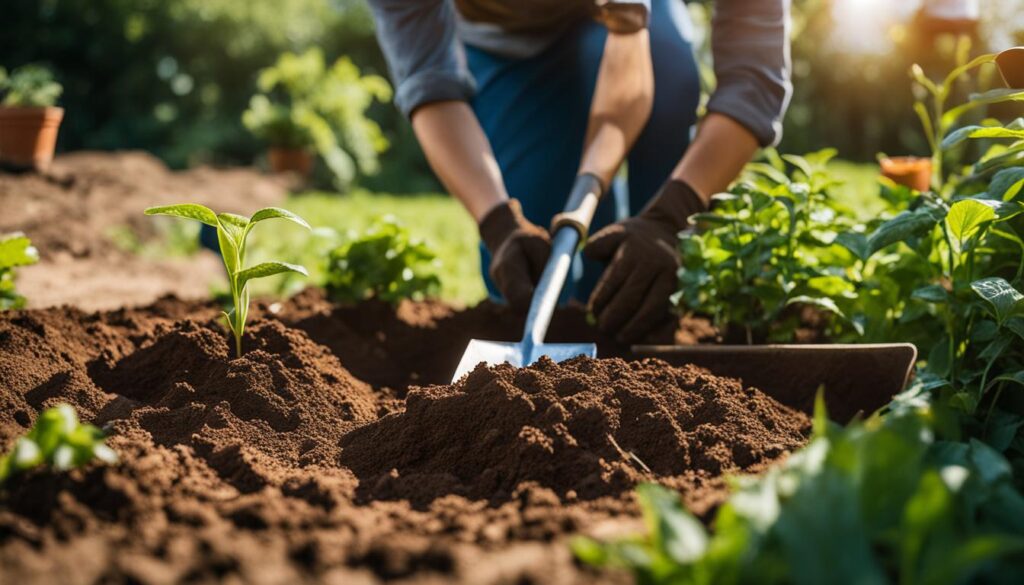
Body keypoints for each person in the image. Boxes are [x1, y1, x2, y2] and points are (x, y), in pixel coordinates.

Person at [367, 0, 791, 342]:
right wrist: (497, 221)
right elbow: (429, 81)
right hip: (506, 46)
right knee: (523, 280)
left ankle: (647, 301)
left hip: (636, 27)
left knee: (666, 75)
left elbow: (752, 83)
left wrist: (671, 216)